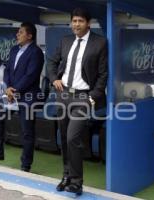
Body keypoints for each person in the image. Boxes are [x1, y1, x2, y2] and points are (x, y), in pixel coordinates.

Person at [46, 8, 108, 195]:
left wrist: (93, 96)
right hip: (63, 94)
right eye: (74, 21)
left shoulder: (100, 43)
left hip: (83, 97)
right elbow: (51, 62)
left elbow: (103, 73)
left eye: (80, 21)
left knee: (73, 137)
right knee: (64, 138)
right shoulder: (65, 40)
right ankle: (66, 176)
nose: (76, 24)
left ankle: (76, 182)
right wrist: (53, 78)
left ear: (88, 23)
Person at [0, 22, 44, 173]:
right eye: (18, 32)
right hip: (10, 94)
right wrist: (7, 87)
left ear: (30, 36)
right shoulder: (14, 49)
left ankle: (26, 164)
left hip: (27, 96)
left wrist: (14, 90)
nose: (17, 34)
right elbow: (8, 69)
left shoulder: (36, 52)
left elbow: (31, 75)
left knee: (27, 131)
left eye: (21, 32)